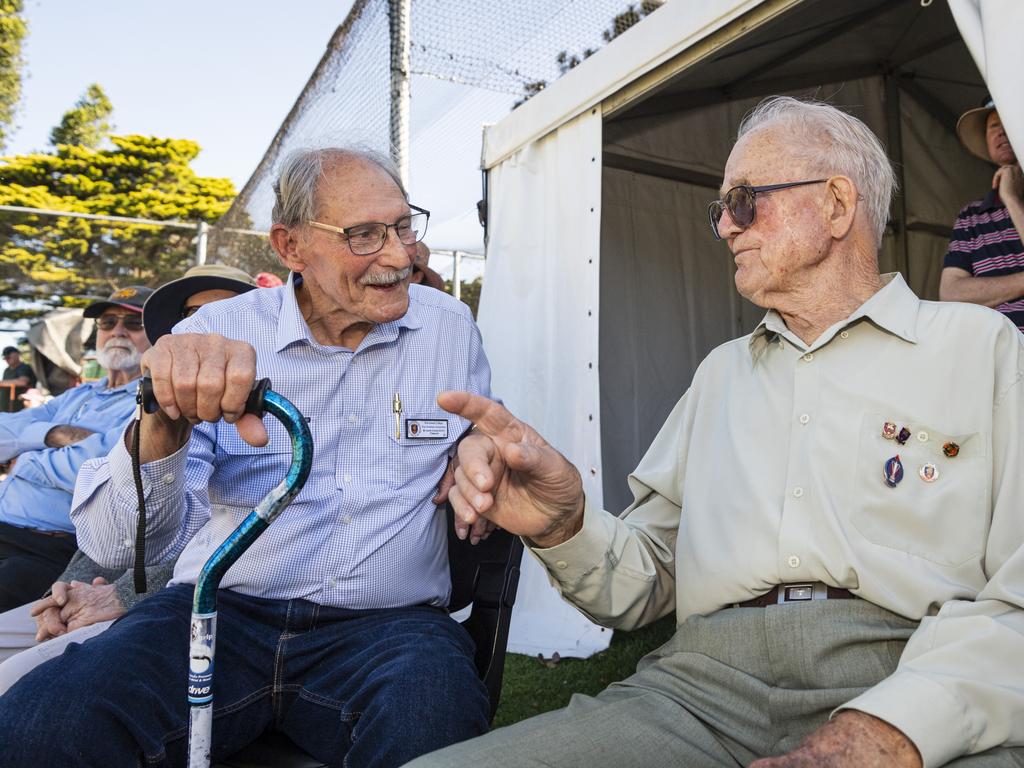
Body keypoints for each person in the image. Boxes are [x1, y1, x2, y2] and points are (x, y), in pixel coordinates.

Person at [410, 97, 1024, 768]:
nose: (726, 229)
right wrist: (563, 524)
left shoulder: (983, 348)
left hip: (914, 674)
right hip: (698, 695)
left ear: (838, 205)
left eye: (744, 201)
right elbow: (642, 584)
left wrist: (891, 730)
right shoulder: (719, 375)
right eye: (718, 211)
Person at [0, 147, 495, 768]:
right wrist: (162, 423)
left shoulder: (450, 328)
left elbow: (481, 421)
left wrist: (479, 441)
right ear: (290, 248)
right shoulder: (213, 337)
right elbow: (123, 547)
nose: (399, 256)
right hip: (217, 609)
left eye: (403, 226)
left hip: (391, 626)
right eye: (364, 235)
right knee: (44, 723)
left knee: (434, 730)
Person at [0, 264, 258, 692]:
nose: (208, 329)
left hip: (182, 610)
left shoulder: (279, 411)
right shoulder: (131, 397)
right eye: (192, 316)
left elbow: (238, 536)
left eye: (229, 312)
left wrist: (22, 462)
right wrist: (66, 587)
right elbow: (113, 507)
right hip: (88, 581)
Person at [0, 286, 153, 610]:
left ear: (157, 332)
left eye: (133, 323)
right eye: (108, 322)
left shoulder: (151, 400)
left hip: (52, 547)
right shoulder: (79, 395)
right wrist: (54, 433)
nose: (117, 331)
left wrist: (23, 459)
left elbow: (103, 468)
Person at [939, 97, 1024, 332]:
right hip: (994, 356)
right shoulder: (971, 216)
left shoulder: (1010, 200)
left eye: (1007, 123)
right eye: (993, 126)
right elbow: (951, 293)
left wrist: (1012, 199)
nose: (1001, 132)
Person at [1, 346, 37, 413]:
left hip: (19, 407)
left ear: (16, 354)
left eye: (8, 357)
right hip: (5, 407)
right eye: (5, 358)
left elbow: (23, 382)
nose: (7, 360)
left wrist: (2, 382)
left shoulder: (24, 367)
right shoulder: (7, 370)